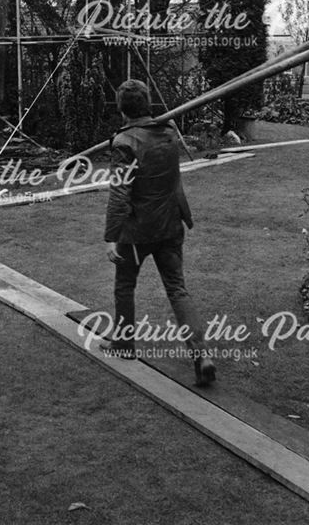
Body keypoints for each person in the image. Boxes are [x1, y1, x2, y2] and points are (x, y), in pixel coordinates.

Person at [101, 78, 216, 387]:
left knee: (124, 286)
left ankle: (124, 344)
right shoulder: (168, 134)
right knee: (177, 289)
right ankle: (201, 355)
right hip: (169, 226)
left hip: (137, 231)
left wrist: (112, 235)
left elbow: (120, 193)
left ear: (122, 109)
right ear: (147, 103)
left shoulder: (124, 143)